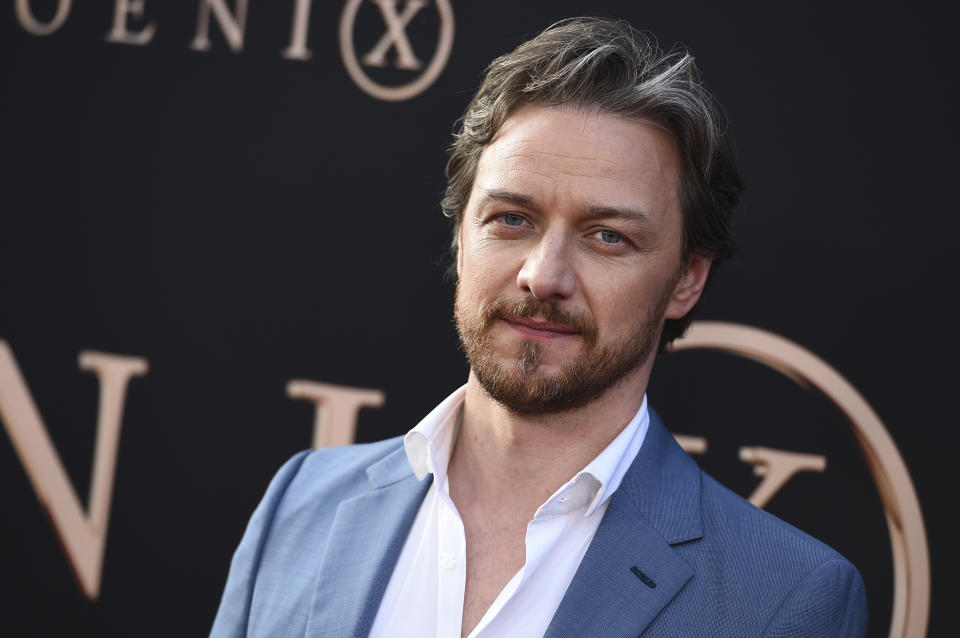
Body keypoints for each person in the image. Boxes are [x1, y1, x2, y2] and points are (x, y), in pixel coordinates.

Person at [210, 17, 867, 638]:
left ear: (687, 279)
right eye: (512, 220)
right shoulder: (304, 503)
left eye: (607, 236)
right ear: (461, 235)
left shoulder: (781, 598)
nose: (543, 276)